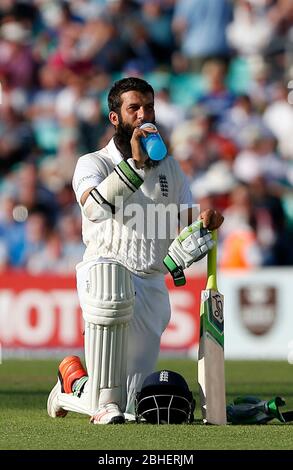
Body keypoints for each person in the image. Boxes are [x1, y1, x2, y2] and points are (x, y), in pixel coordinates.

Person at [47, 77, 224, 424]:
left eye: (149, 106)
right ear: (116, 118)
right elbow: (94, 208)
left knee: (129, 404)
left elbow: (187, 220)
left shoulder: (171, 169)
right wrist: (135, 165)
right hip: (106, 274)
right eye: (134, 108)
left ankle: (71, 384)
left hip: (152, 283)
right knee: (108, 403)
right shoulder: (93, 163)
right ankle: (95, 396)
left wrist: (205, 222)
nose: (144, 114)